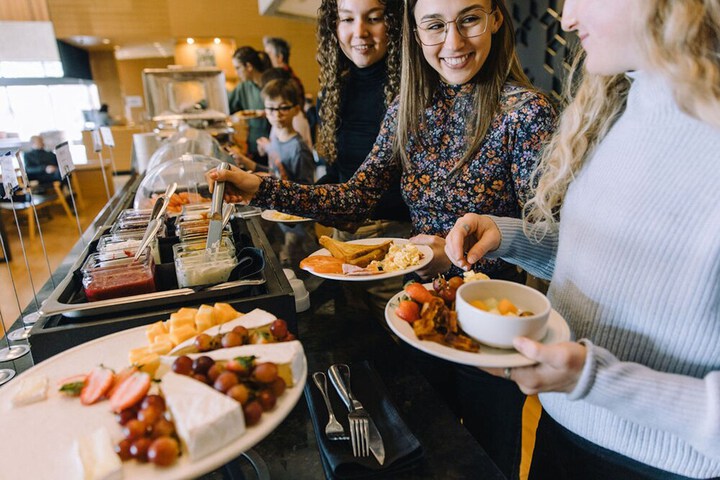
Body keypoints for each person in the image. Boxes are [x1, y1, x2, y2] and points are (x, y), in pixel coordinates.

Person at [210, 1, 556, 476]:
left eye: (469, 20)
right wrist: (262, 185)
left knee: (483, 463)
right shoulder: (407, 108)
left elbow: (552, 238)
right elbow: (355, 200)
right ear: (415, 34)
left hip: (493, 328)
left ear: (496, 18)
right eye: (434, 26)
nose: (453, 44)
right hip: (415, 314)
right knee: (420, 449)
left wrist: (467, 258)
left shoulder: (527, 113)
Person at [444, 0, 720, 478]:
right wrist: (508, 237)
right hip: (563, 428)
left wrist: (596, 379)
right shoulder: (624, 101)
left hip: (661, 467)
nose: (567, 17)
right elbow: (624, 265)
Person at [315, 0, 411, 241]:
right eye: (347, 19)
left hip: (401, 237)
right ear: (333, 26)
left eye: (374, 18)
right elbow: (337, 172)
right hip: (346, 235)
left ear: (395, 24)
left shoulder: (414, 92)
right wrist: (302, 196)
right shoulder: (334, 92)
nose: (360, 32)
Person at [234, 78, 316, 267]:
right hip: (278, 218)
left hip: (296, 227)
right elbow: (275, 173)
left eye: (283, 108)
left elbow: (307, 189)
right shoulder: (275, 138)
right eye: (271, 109)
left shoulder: (298, 148)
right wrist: (250, 165)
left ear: (296, 108)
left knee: (297, 264)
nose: (276, 115)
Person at [228, 46, 272, 164]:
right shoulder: (243, 87)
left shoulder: (271, 83)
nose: (236, 73)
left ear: (249, 66)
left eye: (238, 68)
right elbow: (227, 104)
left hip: (273, 147)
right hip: (254, 148)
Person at [262, 36, 306, 101]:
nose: (265, 58)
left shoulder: (284, 79)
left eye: (268, 54)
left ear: (279, 57)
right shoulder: (290, 75)